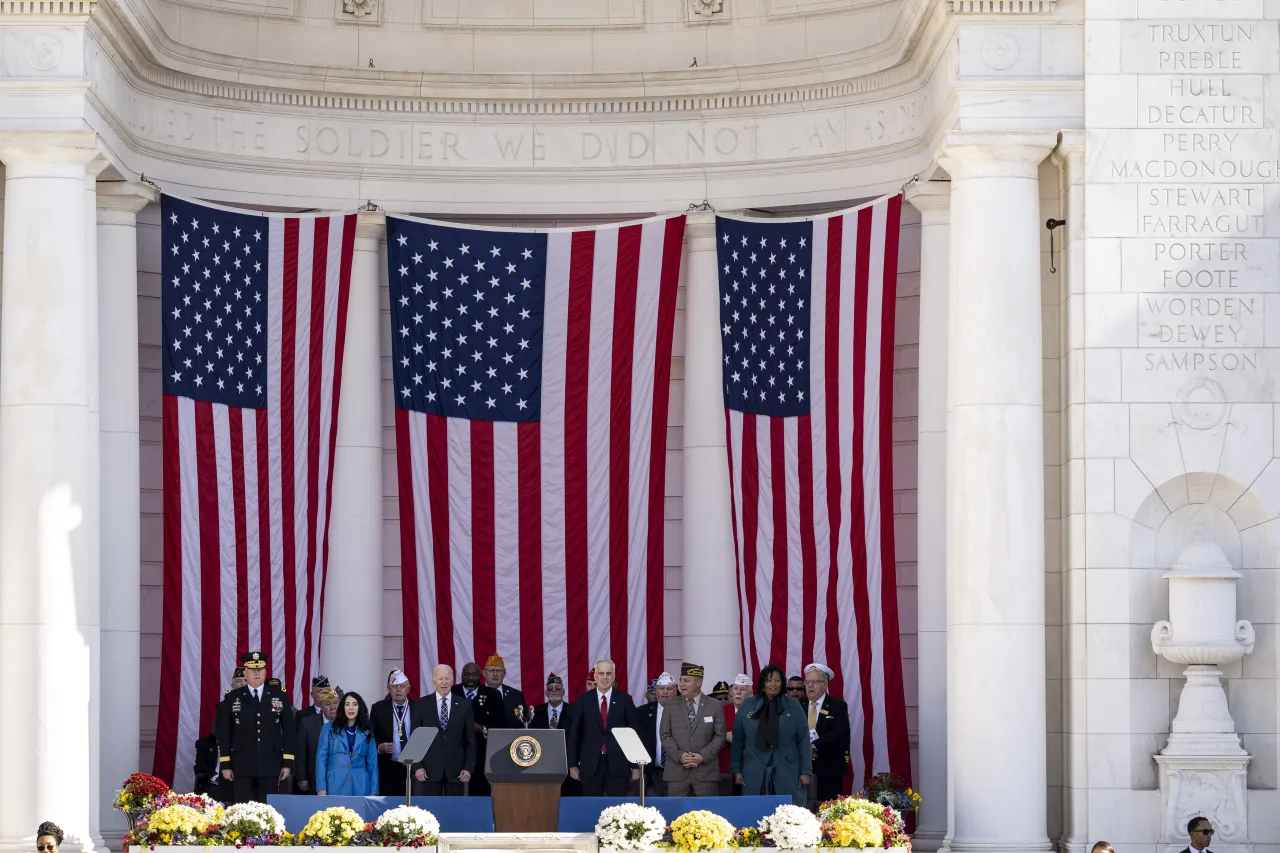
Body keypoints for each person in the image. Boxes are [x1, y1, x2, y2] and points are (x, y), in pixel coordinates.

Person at [216, 650, 295, 803]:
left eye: (260, 669)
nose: (257, 673)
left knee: (268, 812)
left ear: (265, 672)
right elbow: (224, 732)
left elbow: (289, 731)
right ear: (245, 672)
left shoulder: (279, 696)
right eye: (252, 670)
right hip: (241, 764)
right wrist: (225, 764)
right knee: (243, 812)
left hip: (271, 764)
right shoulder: (233, 697)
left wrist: (287, 762)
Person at [730, 663, 811, 806]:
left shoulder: (793, 705)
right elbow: (738, 740)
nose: (773, 684)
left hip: (786, 766)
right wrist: (736, 770)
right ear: (762, 684)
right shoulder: (748, 705)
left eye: (777, 680)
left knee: (787, 814)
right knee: (754, 811)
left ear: (782, 683)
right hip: (754, 767)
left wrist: (805, 771)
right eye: (768, 680)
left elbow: (803, 739)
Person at [567, 658, 641, 796]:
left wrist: (635, 766)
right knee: (591, 807)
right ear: (595, 676)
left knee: (618, 810)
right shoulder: (583, 700)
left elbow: (634, 734)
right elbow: (574, 734)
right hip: (590, 765)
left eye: (608, 673)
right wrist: (572, 765)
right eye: (601, 673)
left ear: (613, 676)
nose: (605, 677)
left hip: (618, 765)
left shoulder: (625, 700)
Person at [659, 661, 726, 796]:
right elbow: (665, 735)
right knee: (675, 814)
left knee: (707, 815)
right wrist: (679, 756)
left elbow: (720, 736)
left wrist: (702, 756)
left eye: (686, 680)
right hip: (677, 774)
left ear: (698, 683)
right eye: (681, 680)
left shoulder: (714, 705)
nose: (681, 684)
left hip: (706, 774)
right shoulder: (671, 705)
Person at [412, 664, 475, 795]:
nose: (444, 682)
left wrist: (468, 768)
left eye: (447, 678)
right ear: (433, 681)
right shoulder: (421, 705)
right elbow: (415, 739)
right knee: (430, 811)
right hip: (429, 771)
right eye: (440, 679)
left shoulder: (464, 705)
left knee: (455, 810)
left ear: (452, 681)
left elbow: (470, 740)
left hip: (456, 771)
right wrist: (418, 766)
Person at [800, 663, 850, 804]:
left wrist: (814, 747)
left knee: (826, 809)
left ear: (825, 684)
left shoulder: (837, 706)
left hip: (828, 769)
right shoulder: (798, 704)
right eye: (807, 682)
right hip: (802, 769)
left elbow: (839, 733)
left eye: (814, 682)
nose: (810, 686)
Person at [453, 661, 505, 796]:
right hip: (456, 752)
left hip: (484, 754)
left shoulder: (493, 695)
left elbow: (501, 725)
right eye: (467, 674)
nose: (471, 678)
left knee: (480, 792)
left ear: (481, 675)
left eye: (474, 674)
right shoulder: (452, 692)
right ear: (461, 675)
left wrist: (482, 728)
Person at [316, 692, 379, 796]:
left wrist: (373, 791)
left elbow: (373, 763)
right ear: (342, 708)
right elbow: (321, 760)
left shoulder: (367, 731)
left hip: (361, 787)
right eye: (347, 704)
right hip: (335, 786)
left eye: (354, 704)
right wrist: (321, 788)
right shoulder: (328, 728)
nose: (351, 708)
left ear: (359, 708)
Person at [531, 673, 580, 796]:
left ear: (563, 691)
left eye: (557, 688)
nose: (554, 691)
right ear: (546, 693)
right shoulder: (535, 712)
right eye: (550, 689)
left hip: (568, 767)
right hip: (542, 767)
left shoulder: (574, 712)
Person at [371, 669, 415, 797]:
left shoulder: (418, 707)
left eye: (402, 686)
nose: (399, 690)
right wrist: (379, 747)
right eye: (395, 687)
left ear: (408, 688)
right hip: (388, 766)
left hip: (413, 767)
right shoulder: (378, 708)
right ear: (389, 689)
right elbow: (369, 736)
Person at [295, 686, 341, 794]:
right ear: (321, 707)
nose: (333, 707)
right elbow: (301, 752)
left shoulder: (346, 724)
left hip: (340, 778)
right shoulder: (308, 723)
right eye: (328, 704)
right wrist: (302, 778)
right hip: (315, 779)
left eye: (335, 703)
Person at [638, 672, 678, 795]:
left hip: (678, 773)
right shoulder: (642, 713)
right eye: (661, 689)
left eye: (669, 689)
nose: (665, 692)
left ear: (675, 690)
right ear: (656, 691)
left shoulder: (685, 711)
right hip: (652, 773)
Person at [484, 654, 527, 726]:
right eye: (491, 670)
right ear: (484, 673)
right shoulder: (476, 692)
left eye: (499, 671)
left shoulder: (516, 695)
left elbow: (524, 722)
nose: (495, 674)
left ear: (504, 674)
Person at [711, 680, 736, 795]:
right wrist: (725, 736)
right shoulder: (709, 715)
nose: (723, 701)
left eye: (726, 698)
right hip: (719, 768)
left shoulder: (740, 713)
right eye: (719, 699)